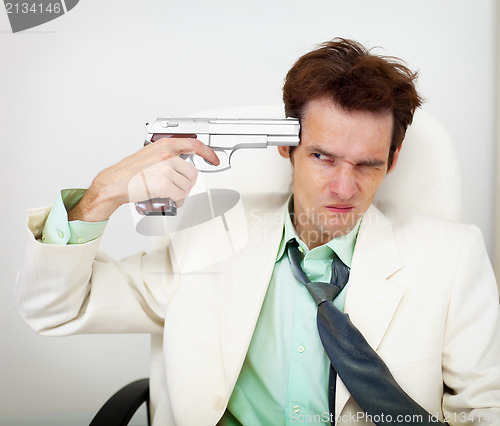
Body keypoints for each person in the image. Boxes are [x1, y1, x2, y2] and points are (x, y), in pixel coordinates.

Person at [15, 38, 500, 425]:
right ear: (286, 147)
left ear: (393, 162)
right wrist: (103, 194)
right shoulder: (204, 240)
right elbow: (55, 309)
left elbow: (486, 411)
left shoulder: (453, 258)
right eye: (322, 157)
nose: (343, 186)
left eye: (367, 165)